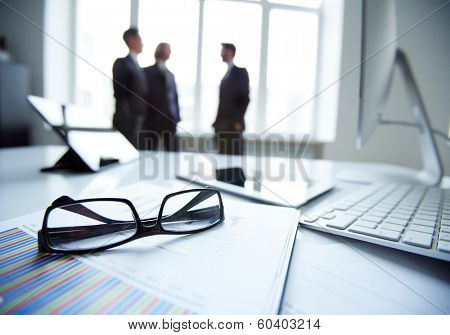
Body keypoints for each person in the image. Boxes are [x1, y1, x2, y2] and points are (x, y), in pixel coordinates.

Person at [112, 27, 148, 148]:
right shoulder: (121, 63)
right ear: (131, 40)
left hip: (138, 119)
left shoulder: (137, 66)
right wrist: (128, 118)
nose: (142, 43)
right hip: (127, 120)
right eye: (140, 39)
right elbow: (120, 93)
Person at [212, 43, 250, 155]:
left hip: (232, 125)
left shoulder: (240, 72)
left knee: (234, 160)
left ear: (230, 52)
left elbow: (245, 98)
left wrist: (237, 121)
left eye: (223, 51)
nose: (221, 53)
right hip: (222, 125)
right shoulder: (226, 74)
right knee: (222, 158)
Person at [143, 43, 180, 151]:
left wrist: (177, 116)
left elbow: (174, 97)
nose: (169, 52)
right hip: (153, 118)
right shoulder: (147, 72)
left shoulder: (171, 75)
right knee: (150, 150)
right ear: (160, 51)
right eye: (167, 50)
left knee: (172, 150)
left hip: (170, 119)